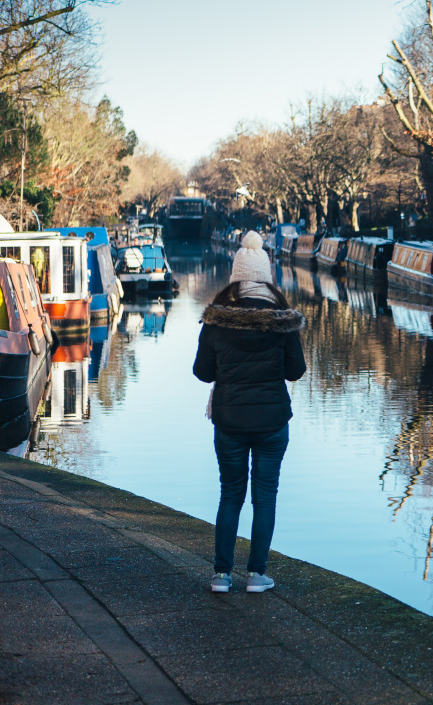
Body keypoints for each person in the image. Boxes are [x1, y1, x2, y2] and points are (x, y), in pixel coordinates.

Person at [193, 231, 306, 593]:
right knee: (265, 497)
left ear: (235, 278)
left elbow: (203, 373)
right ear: (267, 278)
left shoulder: (217, 319)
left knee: (230, 495)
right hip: (273, 422)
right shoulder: (282, 320)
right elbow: (296, 371)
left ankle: (221, 575)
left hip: (229, 421)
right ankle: (257, 575)